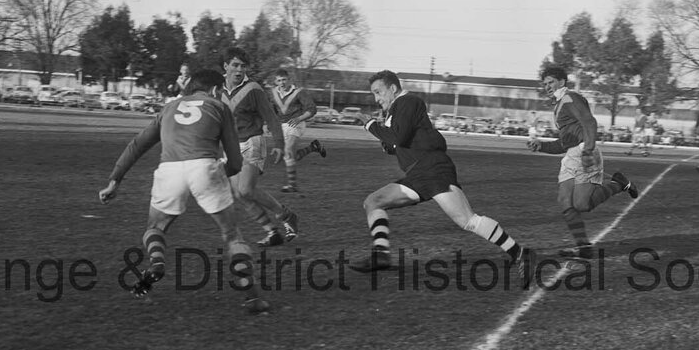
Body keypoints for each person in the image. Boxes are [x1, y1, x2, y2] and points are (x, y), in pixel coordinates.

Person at [97, 68, 270, 314]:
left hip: (169, 169)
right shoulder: (219, 107)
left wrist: (115, 180)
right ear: (214, 90)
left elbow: (138, 144)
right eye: (220, 91)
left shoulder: (168, 108)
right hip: (204, 166)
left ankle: (157, 262)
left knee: (155, 228)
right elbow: (234, 161)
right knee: (232, 235)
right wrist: (220, 174)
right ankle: (252, 298)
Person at [350, 70, 535, 287]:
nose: (376, 98)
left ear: (392, 88)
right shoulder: (397, 108)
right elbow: (400, 141)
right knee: (373, 201)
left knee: (468, 220)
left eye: (378, 92)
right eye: (373, 93)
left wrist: (371, 125)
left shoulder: (407, 101)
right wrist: (388, 144)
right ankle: (381, 254)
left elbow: (399, 137)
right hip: (420, 173)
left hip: (432, 170)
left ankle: (521, 253)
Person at [526, 66, 638, 260]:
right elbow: (564, 144)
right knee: (565, 202)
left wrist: (588, 149)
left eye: (551, 82)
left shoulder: (570, 98)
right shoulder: (559, 104)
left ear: (562, 81)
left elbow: (590, 123)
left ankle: (618, 184)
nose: (547, 87)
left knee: (582, 205)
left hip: (584, 151)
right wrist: (541, 146)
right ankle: (584, 247)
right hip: (571, 155)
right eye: (545, 84)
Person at [218, 47, 299, 246]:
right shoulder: (218, 90)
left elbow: (270, 117)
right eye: (235, 65)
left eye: (243, 66)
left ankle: (286, 215)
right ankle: (272, 232)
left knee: (245, 189)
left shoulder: (253, 89)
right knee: (239, 194)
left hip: (252, 142)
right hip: (230, 146)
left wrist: (279, 143)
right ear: (226, 66)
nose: (239, 70)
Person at [270, 68, 327, 193]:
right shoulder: (273, 93)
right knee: (290, 156)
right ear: (275, 81)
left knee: (288, 149)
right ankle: (313, 147)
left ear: (289, 79)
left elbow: (312, 109)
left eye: (284, 80)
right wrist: (270, 124)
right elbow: (271, 110)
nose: (282, 83)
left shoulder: (299, 92)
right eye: (279, 80)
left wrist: (299, 118)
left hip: (296, 124)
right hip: (282, 126)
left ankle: (292, 186)